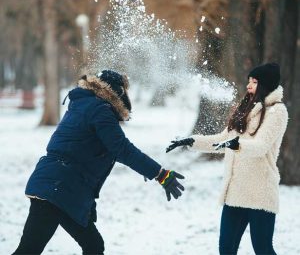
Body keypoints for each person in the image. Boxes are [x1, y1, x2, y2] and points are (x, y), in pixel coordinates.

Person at [13, 70, 185, 255]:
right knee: (31, 250)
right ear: (116, 92)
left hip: (60, 186)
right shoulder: (99, 110)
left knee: (92, 245)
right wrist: (160, 174)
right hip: (58, 188)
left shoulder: (84, 104)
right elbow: (122, 150)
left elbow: (86, 151)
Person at [166, 63, 288, 255]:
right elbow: (222, 139)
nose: (248, 86)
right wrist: (191, 141)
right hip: (235, 193)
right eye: (249, 81)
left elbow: (261, 146)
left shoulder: (277, 112)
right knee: (226, 250)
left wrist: (236, 144)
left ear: (265, 85)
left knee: (263, 249)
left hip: (260, 193)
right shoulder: (246, 106)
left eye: (254, 82)